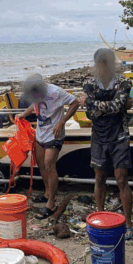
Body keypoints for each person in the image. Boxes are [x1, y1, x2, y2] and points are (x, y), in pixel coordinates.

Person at [78, 49, 133, 237]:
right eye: (101, 62)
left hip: (120, 135)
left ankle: (128, 223)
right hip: (98, 136)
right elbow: (91, 114)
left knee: (121, 179)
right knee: (99, 178)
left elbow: (117, 106)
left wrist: (90, 102)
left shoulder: (123, 82)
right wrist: (111, 107)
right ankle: (100, 217)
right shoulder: (88, 83)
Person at [15, 74, 80, 221]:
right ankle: (47, 193)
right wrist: (24, 114)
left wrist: (62, 122)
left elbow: (75, 103)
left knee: (49, 164)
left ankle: (51, 203)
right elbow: (35, 105)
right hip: (41, 133)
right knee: (41, 163)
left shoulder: (56, 92)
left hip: (54, 134)